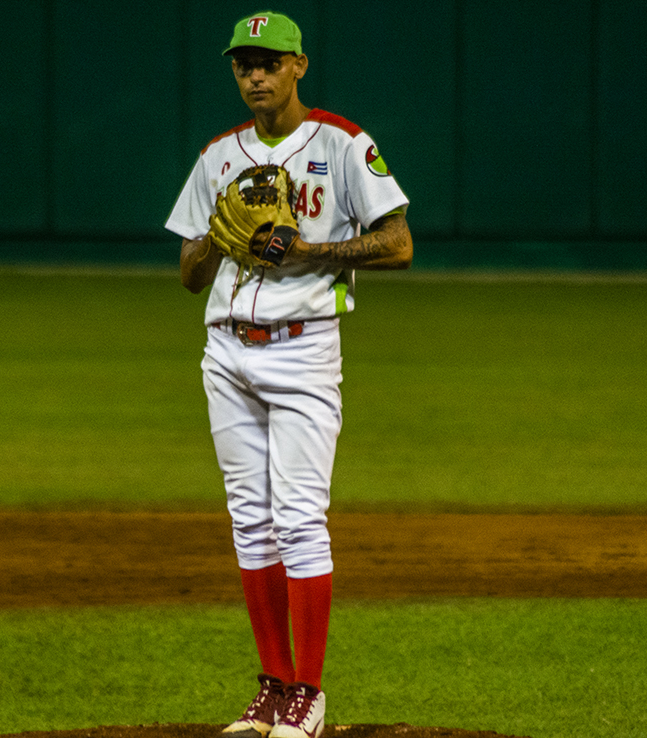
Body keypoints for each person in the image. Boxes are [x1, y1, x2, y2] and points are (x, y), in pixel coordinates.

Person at [165, 11, 412, 738]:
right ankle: (271, 688)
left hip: (305, 349)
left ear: (299, 66)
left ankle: (310, 692)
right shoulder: (218, 154)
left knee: (300, 521)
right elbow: (187, 275)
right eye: (244, 64)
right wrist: (216, 236)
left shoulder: (341, 143)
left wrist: (312, 253)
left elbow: (398, 244)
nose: (256, 76)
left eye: (270, 63)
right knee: (251, 523)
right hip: (226, 351)